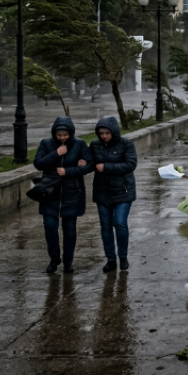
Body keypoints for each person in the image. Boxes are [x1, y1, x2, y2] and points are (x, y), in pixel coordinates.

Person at [34, 116, 93, 274]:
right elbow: (38, 163)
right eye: (59, 135)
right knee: (50, 226)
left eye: (65, 135)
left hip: (72, 192)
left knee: (70, 228)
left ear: (71, 133)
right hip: (50, 192)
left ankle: (68, 261)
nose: (62, 138)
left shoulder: (79, 144)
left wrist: (71, 170)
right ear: (54, 133)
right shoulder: (46, 143)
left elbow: (90, 164)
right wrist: (56, 153)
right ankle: (54, 258)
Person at [89, 116, 138, 273]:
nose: (104, 136)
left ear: (114, 132)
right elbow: (91, 163)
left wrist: (107, 167)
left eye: (107, 133)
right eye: (101, 133)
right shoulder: (95, 145)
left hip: (123, 191)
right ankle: (111, 259)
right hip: (102, 192)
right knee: (105, 226)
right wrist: (83, 163)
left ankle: (122, 256)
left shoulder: (126, 145)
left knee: (120, 223)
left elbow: (130, 164)